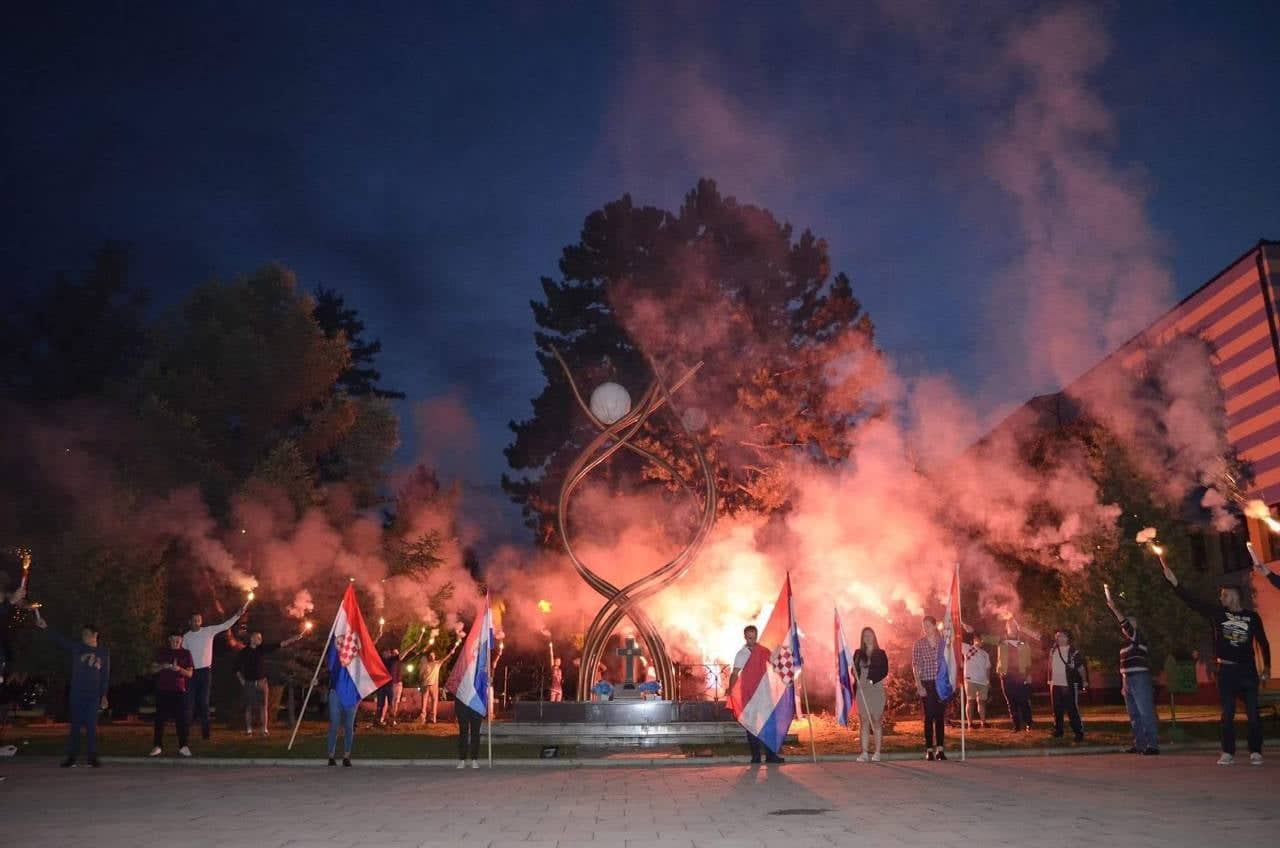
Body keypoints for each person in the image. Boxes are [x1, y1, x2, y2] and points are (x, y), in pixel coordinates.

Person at [1161, 562, 1270, 765]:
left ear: (1234, 596)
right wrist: (1175, 583)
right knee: (1227, 713)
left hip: (1247, 671)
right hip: (1226, 670)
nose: (1221, 598)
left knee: (1253, 713)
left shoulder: (1252, 617)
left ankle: (1256, 751)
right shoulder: (1218, 614)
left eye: (1224, 595)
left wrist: (1267, 668)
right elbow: (1193, 602)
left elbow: (1263, 642)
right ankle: (1228, 752)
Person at [33, 610, 109, 768]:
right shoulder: (78, 648)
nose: (84, 637)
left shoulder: (103, 653)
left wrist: (104, 695)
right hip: (77, 693)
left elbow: (104, 676)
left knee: (91, 726)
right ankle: (72, 757)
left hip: (93, 695)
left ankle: (92, 757)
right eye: (83, 634)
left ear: (95, 635)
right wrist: (46, 627)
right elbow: (61, 640)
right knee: (75, 726)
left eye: (86, 634)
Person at [182, 600, 248, 741]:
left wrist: (237, 615)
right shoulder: (186, 637)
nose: (197, 622)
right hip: (191, 673)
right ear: (190, 622)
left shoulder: (208, 631)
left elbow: (225, 625)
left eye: (199, 620)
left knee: (204, 703)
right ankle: (184, 733)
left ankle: (206, 734)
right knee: (189, 703)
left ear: (201, 621)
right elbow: (183, 655)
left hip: (205, 672)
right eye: (194, 620)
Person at [1104, 590, 1159, 755]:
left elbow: (1125, 625)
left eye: (1129, 623)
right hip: (1127, 680)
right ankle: (1140, 744)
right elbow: (1124, 666)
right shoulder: (1125, 645)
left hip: (1140, 678)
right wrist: (1123, 684)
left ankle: (1152, 745)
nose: (1125, 626)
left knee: (1145, 712)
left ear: (1134, 625)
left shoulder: (1138, 638)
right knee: (1134, 714)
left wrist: (1114, 608)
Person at [728, 624, 784, 764]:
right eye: (749, 638)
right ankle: (756, 757)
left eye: (754, 637)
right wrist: (731, 690)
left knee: (769, 725)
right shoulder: (741, 654)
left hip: (764, 694)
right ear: (745, 637)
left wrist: (782, 652)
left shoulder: (763, 651)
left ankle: (771, 756)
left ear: (756, 636)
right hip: (749, 696)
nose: (752, 640)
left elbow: (774, 662)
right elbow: (735, 673)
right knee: (751, 726)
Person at [234, 628, 305, 736]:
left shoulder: (261, 649)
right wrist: (242, 681)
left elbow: (279, 644)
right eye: (258, 638)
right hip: (249, 682)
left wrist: (294, 639)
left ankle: (264, 729)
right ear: (252, 639)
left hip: (262, 682)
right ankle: (249, 730)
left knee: (263, 706)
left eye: (260, 638)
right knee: (249, 707)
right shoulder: (244, 652)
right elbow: (236, 668)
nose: (260, 640)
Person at [150, 628, 194, 757]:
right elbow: (152, 669)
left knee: (182, 720)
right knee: (160, 719)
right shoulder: (162, 652)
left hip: (179, 690)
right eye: (173, 640)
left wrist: (179, 669)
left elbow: (190, 674)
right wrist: (162, 666)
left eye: (178, 640)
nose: (175, 642)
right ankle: (157, 746)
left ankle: (183, 746)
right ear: (169, 639)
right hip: (163, 690)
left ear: (181, 640)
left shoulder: (186, 653)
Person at [911, 616, 947, 761]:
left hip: (941, 683)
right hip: (926, 683)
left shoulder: (943, 643)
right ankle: (929, 750)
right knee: (928, 716)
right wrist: (919, 685)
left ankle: (940, 749)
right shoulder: (919, 644)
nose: (925, 628)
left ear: (934, 625)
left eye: (928, 625)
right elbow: (915, 666)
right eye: (923, 625)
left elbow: (949, 661)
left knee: (940, 716)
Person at [852, 626, 888, 762]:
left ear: (874, 636)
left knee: (876, 721)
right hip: (862, 691)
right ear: (862, 639)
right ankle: (864, 753)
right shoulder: (858, 653)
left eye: (870, 635)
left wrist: (872, 681)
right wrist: (855, 676)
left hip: (876, 690)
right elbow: (854, 670)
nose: (867, 637)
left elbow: (884, 670)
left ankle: (877, 752)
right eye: (865, 635)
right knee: (864, 721)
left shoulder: (881, 653)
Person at [1047, 629, 1086, 742]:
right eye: (1058, 636)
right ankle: (1058, 731)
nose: (1060, 638)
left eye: (1062, 636)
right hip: (1055, 684)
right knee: (1057, 709)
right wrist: (1049, 680)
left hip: (1068, 684)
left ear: (1068, 638)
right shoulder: (1053, 650)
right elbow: (1050, 665)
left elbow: (1081, 668)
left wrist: (1084, 681)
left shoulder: (1073, 651)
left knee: (1072, 709)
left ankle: (1078, 732)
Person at [418, 635, 462, 724]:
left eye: (433, 655)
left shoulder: (436, 663)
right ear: (429, 656)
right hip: (426, 685)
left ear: (434, 656)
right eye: (430, 655)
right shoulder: (427, 662)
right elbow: (423, 654)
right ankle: (425, 718)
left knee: (432, 701)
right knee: (426, 701)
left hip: (431, 685)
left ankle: (431, 718)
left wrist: (453, 650)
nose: (431, 656)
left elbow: (445, 658)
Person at [962, 633, 991, 729]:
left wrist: (988, 681)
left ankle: (983, 722)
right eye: (979, 639)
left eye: (982, 640)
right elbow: (955, 642)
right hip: (970, 680)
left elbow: (988, 668)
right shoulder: (968, 648)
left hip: (983, 681)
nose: (981, 641)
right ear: (974, 639)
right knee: (970, 701)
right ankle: (970, 723)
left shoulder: (985, 654)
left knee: (982, 702)